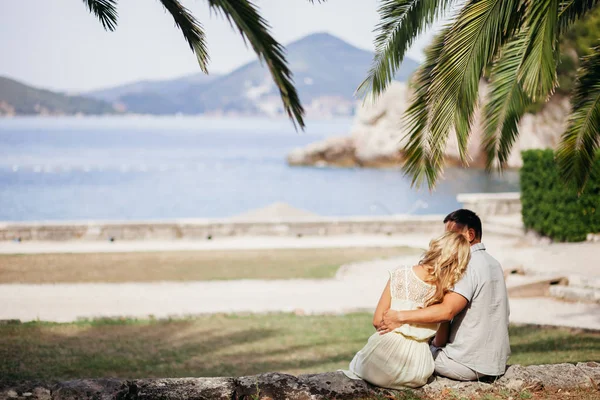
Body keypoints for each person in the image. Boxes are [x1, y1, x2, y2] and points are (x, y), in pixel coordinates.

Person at [378, 209, 511, 382]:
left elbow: (446, 311)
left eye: (452, 235)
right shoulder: (493, 262)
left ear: (470, 234)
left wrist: (400, 317)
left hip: (465, 363)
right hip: (494, 363)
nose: (448, 241)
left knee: (414, 353)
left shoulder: (467, 264)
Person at [342, 231, 471, 389]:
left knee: (358, 364)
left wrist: (397, 323)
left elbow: (377, 321)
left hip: (377, 363)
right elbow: (440, 340)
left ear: (435, 247)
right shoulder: (443, 292)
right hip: (415, 371)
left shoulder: (400, 273)